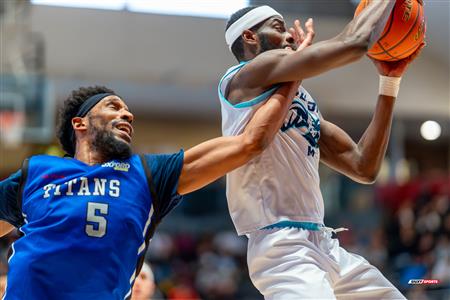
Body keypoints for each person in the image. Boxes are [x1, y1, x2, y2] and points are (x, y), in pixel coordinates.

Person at [0, 80, 301, 299]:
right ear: (80, 123)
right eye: (113, 107)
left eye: (128, 111)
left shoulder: (147, 173)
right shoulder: (37, 171)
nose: (128, 115)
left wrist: (292, 76)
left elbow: (249, 143)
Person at [219, 3, 424, 299]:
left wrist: (389, 80)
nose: (290, 34)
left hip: (324, 243)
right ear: (250, 37)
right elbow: (354, 43)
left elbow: (363, 166)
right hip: (282, 248)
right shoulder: (244, 77)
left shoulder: (300, 98)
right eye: (278, 28)